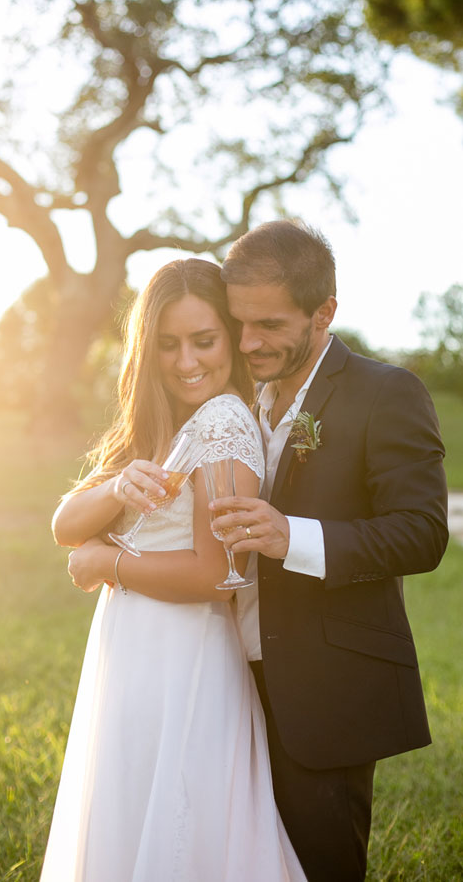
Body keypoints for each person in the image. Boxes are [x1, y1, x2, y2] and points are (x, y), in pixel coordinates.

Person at [40, 258, 306, 881]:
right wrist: (117, 490)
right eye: (168, 344)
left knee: (179, 824)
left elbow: (214, 575)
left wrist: (107, 560)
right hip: (137, 656)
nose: (187, 361)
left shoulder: (220, 422)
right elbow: (62, 525)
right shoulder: (159, 425)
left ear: (231, 340)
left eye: (204, 341)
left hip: (183, 656)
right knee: (134, 810)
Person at [209, 219, 449, 882]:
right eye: (239, 323)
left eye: (270, 325)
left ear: (325, 312)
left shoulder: (385, 392)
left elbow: (424, 532)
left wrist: (292, 536)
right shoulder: (232, 397)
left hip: (325, 685)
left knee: (320, 863)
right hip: (225, 677)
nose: (249, 342)